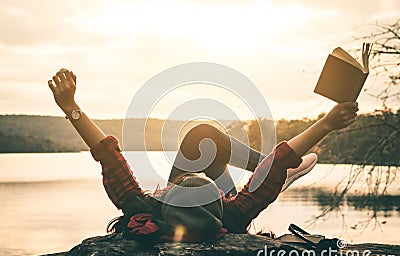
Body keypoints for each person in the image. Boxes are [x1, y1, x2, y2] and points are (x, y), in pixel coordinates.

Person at [47, 68, 358, 242]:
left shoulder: (144, 208)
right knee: (254, 160)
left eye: (179, 184)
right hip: (235, 197)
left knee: (201, 136)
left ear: (166, 199)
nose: (191, 175)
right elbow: (279, 157)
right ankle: (276, 176)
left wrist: (71, 108)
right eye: (201, 182)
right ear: (222, 200)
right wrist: (327, 123)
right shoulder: (235, 213)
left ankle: (272, 172)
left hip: (191, 208)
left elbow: (109, 156)